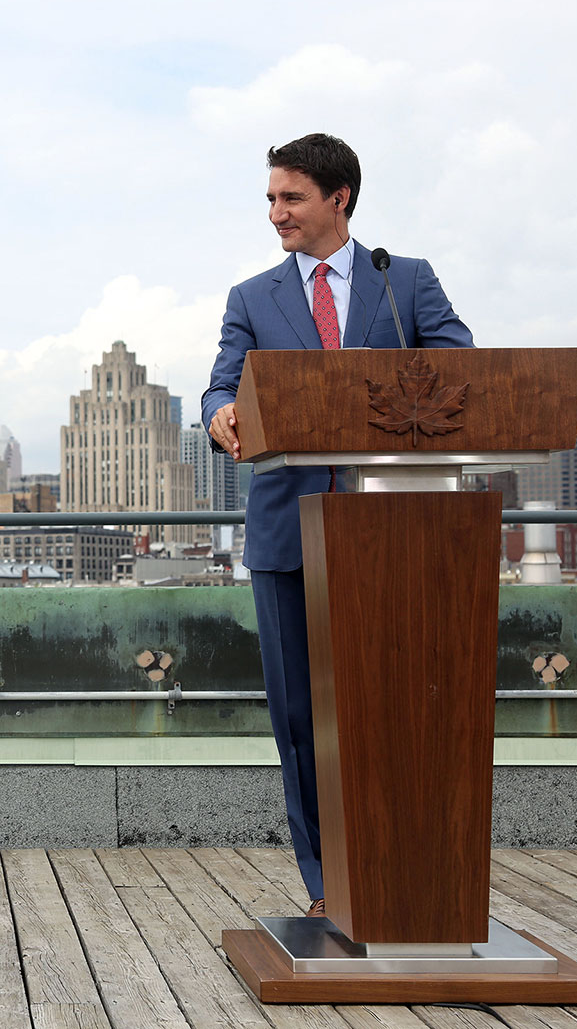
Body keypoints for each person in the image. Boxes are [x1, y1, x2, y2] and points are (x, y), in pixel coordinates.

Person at [200, 134, 474, 917]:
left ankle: (410, 870)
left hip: (399, 533)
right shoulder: (251, 298)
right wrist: (223, 412)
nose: (276, 213)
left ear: (339, 199)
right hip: (289, 534)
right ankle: (329, 884)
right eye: (271, 199)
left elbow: (462, 373)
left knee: (397, 702)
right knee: (299, 716)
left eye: (290, 198)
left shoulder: (405, 284)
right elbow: (224, 384)